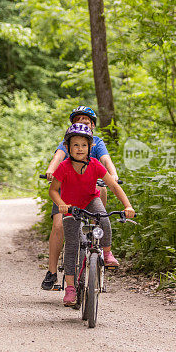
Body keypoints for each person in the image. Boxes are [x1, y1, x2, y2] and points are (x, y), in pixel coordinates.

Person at [48, 123, 135, 306]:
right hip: (70, 206)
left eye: (84, 145)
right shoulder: (64, 167)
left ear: (90, 147)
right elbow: (53, 190)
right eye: (75, 145)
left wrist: (127, 205)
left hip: (90, 199)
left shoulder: (95, 165)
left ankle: (107, 252)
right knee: (72, 244)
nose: (80, 149)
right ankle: (70, 288)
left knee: (103, 218)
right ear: (68, 147)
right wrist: (62, 205)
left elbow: (113, 186)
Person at [41, 105, 120, 290]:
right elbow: (58, 157)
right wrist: (51, 170)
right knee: (59, 226)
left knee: (102, 192)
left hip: (89, 191)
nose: (82, 124)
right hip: (67, 192)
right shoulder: (68, 143)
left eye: (86, 121)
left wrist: (113, 173)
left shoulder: (96, 142)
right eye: (78, 121)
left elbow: (106, 160)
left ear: (92, 125)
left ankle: (98, 241)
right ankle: (52, 272)